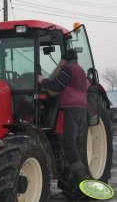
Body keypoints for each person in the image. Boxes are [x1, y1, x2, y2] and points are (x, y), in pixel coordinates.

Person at [38, 49, 88, 195]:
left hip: (71, 109)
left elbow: (57, 86)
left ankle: (82, 180)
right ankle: (74, 179)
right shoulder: (79, 69)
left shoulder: (67, 68)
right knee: (75, 144)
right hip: (80, 108)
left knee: (68, 143)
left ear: (64, 59)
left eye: (61, 60)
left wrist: (42, 81)